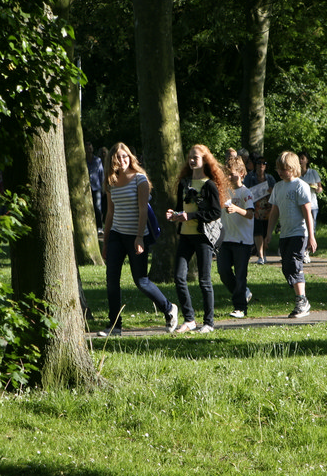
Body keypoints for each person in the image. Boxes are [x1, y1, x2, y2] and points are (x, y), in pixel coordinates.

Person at [100, 143, 178, 336]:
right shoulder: (111, 181)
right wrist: (106, 241)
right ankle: (115, 325)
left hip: (136, 236)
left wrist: (139, 238)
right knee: (111, 280)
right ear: (112, 160)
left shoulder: (139, 179)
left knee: (141, 281)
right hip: (116, 235)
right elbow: (110, 213)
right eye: (118, 157)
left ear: (130, 157)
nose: (122, 160)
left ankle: (169, 308)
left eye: (125, 156)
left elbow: (143, 210)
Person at [166, 144, 230, 334]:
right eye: (190, 157)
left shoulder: (209, 184)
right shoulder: (184, 183)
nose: (192, 160)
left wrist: (191, 216)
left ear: (205, 160)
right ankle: (189, 319)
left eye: (196, 157)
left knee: (204, 281)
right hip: (186, 236)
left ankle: (209, 323)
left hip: (203, 237)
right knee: (179, 277)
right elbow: (181, 207)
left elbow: (215, 212)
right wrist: (174, 214)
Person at [265, 151, 317, 318]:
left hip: (299, 233)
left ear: (293, 168)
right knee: (286, 267)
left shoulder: (300, 186)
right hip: (285, 234)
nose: (280, 172)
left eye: (284, 169)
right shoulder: (278, 187)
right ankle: (301, 298)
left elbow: (307, 212)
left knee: (294, 265)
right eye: (278, 169)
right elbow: (274, 212)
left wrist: (311, 236)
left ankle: (302, 301)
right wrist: (268, 233)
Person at [218, 156, 255, 318]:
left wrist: (236, 209)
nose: (228, 177)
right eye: (226, 173)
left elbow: (250, 214)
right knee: (223, 272)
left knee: (240, 275)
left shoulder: (246, 193)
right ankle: (243, 293)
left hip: (242, 241)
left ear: (241, 173)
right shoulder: (224, 191)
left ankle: (240, 308)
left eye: (231, 173)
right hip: (225, 239)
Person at [244, 156, 276, 264]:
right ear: (255, 164)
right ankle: (261, 255)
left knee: (266, 231)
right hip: (255, 208)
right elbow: (245, 190)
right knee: (257, 232)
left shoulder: (270, 178)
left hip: (268, 208)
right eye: (259, 163)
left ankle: (264, 253)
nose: (261, 165)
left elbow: (276, 193)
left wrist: (271, 191)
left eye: (264, 163)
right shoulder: (249, 177)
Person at [298, 152, 323, 263]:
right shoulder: (296, 173)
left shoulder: (313, 173)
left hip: (312, 205)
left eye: (302, 158)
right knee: (301, 227)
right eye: (299, 158)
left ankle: (307, 251)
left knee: (311, 228)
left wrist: (316, 188)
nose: (300, 160)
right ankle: (301, 250)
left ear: (307, 160)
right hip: (299, 205)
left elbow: (320, 188)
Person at [85, 141, 104, 233]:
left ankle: (99, 227)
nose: (89, 149)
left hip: (96, 187)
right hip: (86, 188)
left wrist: (103, 187)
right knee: (87, 207)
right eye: (87, 148)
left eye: (90, 147)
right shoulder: (83, 161)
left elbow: (101, 173)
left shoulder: (98, 160)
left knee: (97, 207)